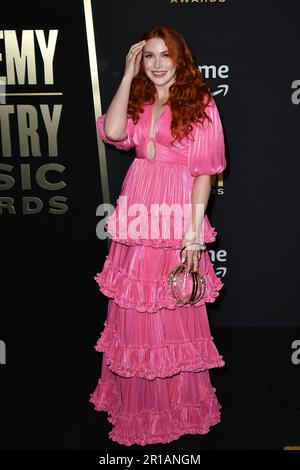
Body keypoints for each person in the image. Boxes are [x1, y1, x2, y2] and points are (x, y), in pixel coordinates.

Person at [89, 25, 227, 446]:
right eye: (148, 56)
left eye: (165, 55)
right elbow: (113, 133)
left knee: (172, 307)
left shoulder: (200, 102)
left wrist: (193, 233)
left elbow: (205, 172)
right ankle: (136, 402)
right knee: (134, 307)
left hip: (176, 210)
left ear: (179, 58)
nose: (158, 64)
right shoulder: (139, 95)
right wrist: (128, 77)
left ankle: (174, 407)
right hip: (138, 206)